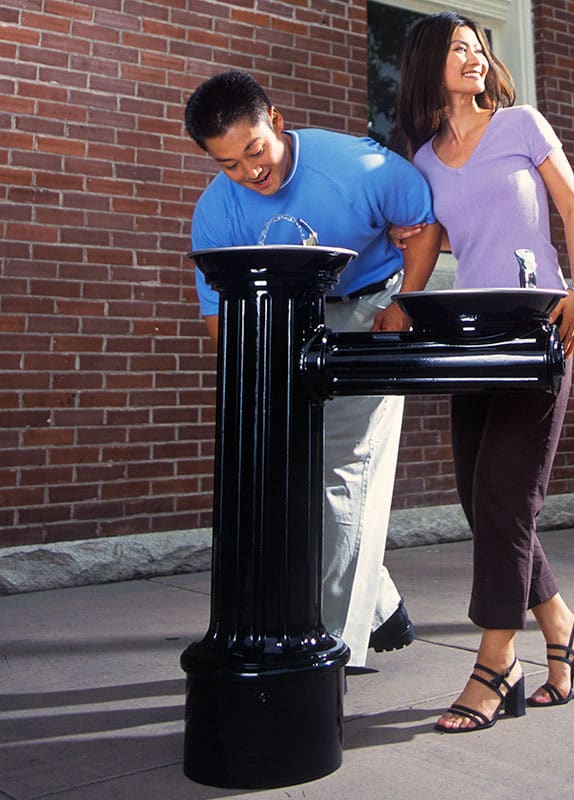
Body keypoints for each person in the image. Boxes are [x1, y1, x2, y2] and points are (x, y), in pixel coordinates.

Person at [390, 12, 574, 733]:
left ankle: (495, 665)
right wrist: (401, 300)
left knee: (507, 497)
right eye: (459, 49)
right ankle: (565, 630)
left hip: (538, 328)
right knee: (482, 500)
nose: (474, 59)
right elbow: (423, 249)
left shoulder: (522, 125)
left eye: (479, 49)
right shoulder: (423, 160)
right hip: (469, 337)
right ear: (429, 63)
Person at [183, 71, 442, 668]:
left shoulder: (356, 165)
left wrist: (406, 302)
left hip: (370, 306)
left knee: (341, 470)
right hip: (284, 320)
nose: (251, 173)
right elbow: (221, 315)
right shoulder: (216, 213)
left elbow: (424, 222)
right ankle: (378, 602)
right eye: (229, 165)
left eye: (255, 151)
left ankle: (329, 652)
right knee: (286, 472)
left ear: (275, 120)